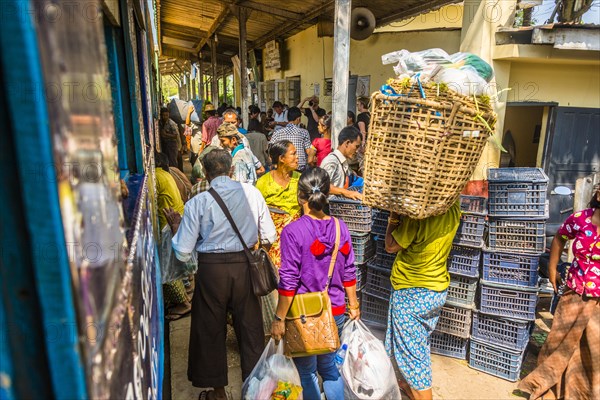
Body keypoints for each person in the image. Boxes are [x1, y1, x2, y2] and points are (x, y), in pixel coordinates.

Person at [165, 149, 277, 400]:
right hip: (245, 268)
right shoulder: (253, 194)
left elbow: (183, 252)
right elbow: (269, 236)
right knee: (250, 329)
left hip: (211, 271)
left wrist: (176, 228)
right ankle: (254, 390)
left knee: (209, 329)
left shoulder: (197, 203)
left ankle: (218, 393)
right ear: (232, 170)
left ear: (205, 173)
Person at [270, 167, 360, 400]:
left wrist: (279, 318)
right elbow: (349, 270)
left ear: (300, 196)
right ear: (326, 195)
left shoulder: (292, 231)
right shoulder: (342, 228)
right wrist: (354, 305)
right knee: (330, 368)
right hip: (337, 310)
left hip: (303, 314)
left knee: (307, 371)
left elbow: (289, 281)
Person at [518, 188, 600, 399]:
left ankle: (581, 393)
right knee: (558, 340)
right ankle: (546, 386)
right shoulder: (580, 219)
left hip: (597, 301)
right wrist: (553, 270)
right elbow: (559, 238)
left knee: (590, 349)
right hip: (573, 293)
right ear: (599, 196)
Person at [384, 201, 461, 400]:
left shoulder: (416, 216)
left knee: (413, 357)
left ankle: (422, 394)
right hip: (436, 288)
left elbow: (391, 246)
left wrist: (393, 217)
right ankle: (411, 388)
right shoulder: (453, 206)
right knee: (419, 346)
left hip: (412, 291)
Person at [155, 152, 191, 320]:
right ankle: (186, 292)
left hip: (167, 224)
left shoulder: (155, 177)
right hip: (177, 218)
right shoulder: (168, 173)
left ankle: (183, 303)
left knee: (167, 270)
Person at [320, 126, 363, 200]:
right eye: (356, 146)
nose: (356, 151)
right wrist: (348, 193)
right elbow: (323, 186)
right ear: (347, 143)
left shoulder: (343, 162)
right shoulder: (331, 161)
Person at [270, 106, 314, 172]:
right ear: (298, 119)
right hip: (299, 167)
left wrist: (274, 164)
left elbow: (271, 149)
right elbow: (308, 151)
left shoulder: (277, 132)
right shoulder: (303, 132)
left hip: (283, 166)